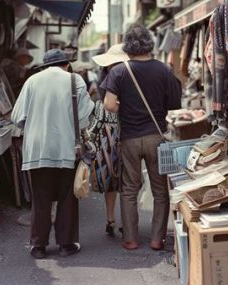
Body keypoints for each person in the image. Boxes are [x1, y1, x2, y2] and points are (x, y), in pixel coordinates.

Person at [101, 23, 182, 251]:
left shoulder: (119, 71)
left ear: (128, 46)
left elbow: (108, 104)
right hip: (156, 136)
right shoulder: (164, 70)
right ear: (149, 44)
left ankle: (131, 238)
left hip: (129, 138)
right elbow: (175, 104)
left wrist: (124, 108)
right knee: (159, 189)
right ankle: (157, 239)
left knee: (129, 189)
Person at [11, 48, 94, 259]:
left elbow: (17, 117)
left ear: (45, 66)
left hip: (38, 149)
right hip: (67, 147)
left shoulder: (32, 81)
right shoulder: (75, 81)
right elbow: (85, 118)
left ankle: (38, 246)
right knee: (68, 196)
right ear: (66, 64)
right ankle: (66, 245)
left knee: (41, 198)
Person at [89, 44, 129, 236]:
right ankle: (124, 221)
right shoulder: (132, 94)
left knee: (110, 183)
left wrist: (88, 142)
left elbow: (95, 127)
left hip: (107, 143)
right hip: (128, 139)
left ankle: (110, 219)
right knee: (127, 183)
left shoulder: (103, 99)